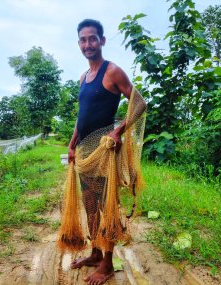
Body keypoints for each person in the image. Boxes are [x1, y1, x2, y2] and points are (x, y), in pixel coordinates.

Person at [66, 19, 144, 285]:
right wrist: (72, 142)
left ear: (102, 41)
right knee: (89, 205)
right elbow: (81, 116)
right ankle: (95, 253)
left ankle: (108, 264)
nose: (88, 44)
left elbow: (139, 104)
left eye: (92, 38)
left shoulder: (112, 72)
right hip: (85, 151)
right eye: (83, 40)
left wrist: (118, 131)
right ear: (79, 43)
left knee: (106, 206)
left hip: (104, 151)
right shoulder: (83, 78)